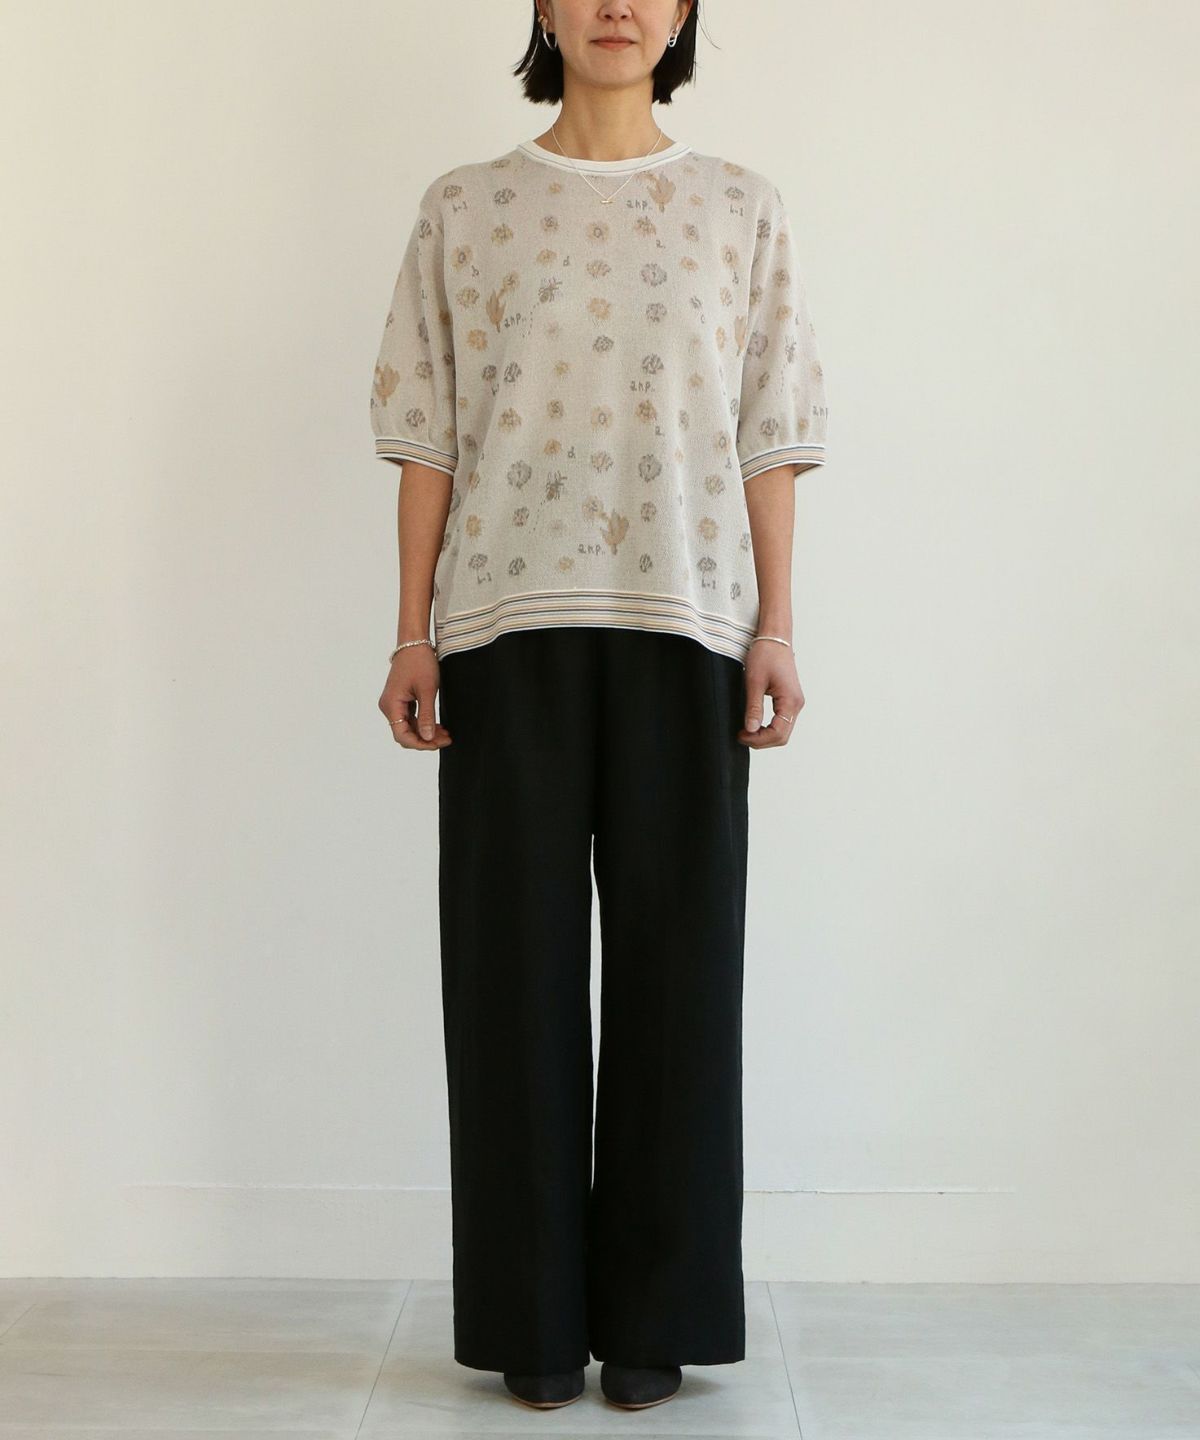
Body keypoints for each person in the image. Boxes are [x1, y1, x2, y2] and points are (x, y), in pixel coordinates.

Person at [370, 0, 828, 1415]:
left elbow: (769, 434)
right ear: (543, 8)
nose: (616, 4)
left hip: (687, 627)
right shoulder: (467, 208)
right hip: (504, 629)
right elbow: (430, 433)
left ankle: (655, 1317)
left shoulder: (739, 208)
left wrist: (776, 627)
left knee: (682, 978)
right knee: (507, 980)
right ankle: (531, 1318)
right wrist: (411, 632)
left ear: (685, 11)